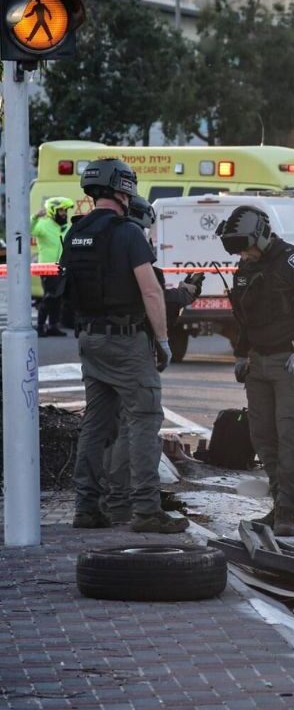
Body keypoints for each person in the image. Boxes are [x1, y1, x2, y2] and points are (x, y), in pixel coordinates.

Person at [60, 158, 187, 532]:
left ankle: (86, 509)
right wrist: (163, 340)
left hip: (89, 339)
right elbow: (150, 290)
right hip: (125, 341)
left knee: (95, 425)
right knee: (145, 418)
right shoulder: (128, 233)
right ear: (122, 189)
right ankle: (147, 511)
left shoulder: (76, 232)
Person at [218, 205, 294, 537]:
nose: (244, 255)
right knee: (263, 436)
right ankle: (280, 501)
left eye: (246, 247)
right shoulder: (246, 266)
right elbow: (244, 317)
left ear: (262, 236)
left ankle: (287, 509)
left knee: (291, 436)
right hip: (258, 361)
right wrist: (241, 354)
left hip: (290, 361)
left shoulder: (293, 261)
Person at [100, 196, 203, 523]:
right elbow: (154, 295)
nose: (150, 237)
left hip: (101, 347)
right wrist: (186, 295)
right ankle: (139, 505)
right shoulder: (133, 250)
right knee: (139, 423)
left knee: (113, 427)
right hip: (132, 348)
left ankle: (111, 501)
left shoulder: (104, 249)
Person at [32, 197, 73, 337]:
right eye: (61, 210)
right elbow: (28, 230)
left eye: (65, 210)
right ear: (52, 211)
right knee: (49, 297)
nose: (64, 213)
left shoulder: (66, 227)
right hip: (47, 268)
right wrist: (35, 217)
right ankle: (40, 326)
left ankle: (53, 326)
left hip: (62, 268)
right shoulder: (43, 225)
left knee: (58, 299)